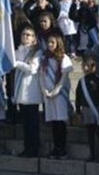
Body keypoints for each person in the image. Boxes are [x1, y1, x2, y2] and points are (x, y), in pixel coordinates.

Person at [39, 34, 72, 160]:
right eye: (48, 42)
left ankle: (62, 148)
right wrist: (44, 90)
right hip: (48, 93)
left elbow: (63, 79)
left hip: (60, 94)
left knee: (60, 121)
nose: (50, 45)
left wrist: (55, 91)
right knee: (53, 121)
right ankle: (56, 147)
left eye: (52, 42)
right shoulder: (45, 58)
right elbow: (41, 75)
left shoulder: (64, 58)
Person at [13, 26, 42, 158]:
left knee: (33, 123)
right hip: (20, 90)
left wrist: (17, 63)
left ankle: (34, 148)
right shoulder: (18, 50)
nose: (26, 37)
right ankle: (27, 148)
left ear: (34, 38)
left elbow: (32, 69)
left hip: (32, 91)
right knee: (25, 124)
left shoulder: (37, 52)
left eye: (29, 35)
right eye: (24, 34)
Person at [75, 55, 99, 163]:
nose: (86, 68)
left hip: (97, 110)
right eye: (84, 66)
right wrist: (78, 110)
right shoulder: (81, 81)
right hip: (86, 109)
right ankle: (92, 154)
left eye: (88, 66)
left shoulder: (98, 80)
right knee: (90, 133)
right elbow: (78, 97)